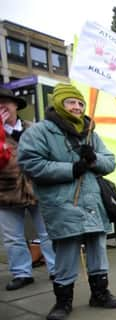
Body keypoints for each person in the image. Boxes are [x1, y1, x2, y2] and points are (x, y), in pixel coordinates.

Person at [18, 83, 116, 320]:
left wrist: (93, 159)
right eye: (71, 102)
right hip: (61, 203)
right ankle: (63, 301)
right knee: (66, 251)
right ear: (58, 104)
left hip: (91, 202)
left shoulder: (90, 133)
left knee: (98, 248)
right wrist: (71, 169)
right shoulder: (40, 132)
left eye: (80, 103)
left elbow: (111, 162)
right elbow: (30, 163)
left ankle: (100, 294)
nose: (77, 107)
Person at [0, 87, 56, 291]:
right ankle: (22, 273)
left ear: (15, 106)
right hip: (5, 192)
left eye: (6, 102)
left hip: (37, 189)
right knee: (13, 237)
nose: (2, 106)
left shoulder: (34, 128)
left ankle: (56, 270)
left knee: (48, 232)